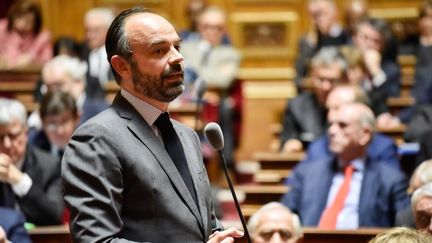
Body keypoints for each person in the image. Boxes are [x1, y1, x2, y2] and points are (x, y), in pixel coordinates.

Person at [62, 7, 244, 242]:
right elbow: (98, 240)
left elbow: (199, 223)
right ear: (122, 66)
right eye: (159, 50)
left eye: (176, 47)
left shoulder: (187, 136)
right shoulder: (96, 139)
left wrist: (219, 234)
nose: (178, 57)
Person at [281, 103, 410, 228]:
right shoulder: (307, 173)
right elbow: (284, 214)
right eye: (330, 125)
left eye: (342, 125)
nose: (332, 131)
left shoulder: (390, 180)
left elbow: (404, 229)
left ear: (364, 134)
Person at [0, 98, 63, 226]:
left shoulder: (50, 165)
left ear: (26, 133)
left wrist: (20, 181)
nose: (6, 144)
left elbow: (55, 216)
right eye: (0, 137)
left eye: (13, 136)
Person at [304, 85, 399, 168]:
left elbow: (390, 185)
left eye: (337, 108)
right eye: (328, 109)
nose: (330, 116)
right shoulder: (317, 149)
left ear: (360, 108)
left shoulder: (382, 148)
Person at [279, 47, 348, 152]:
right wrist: (290, 144)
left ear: (344, 80)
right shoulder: (296, 106)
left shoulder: (354, 107)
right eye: (320, 79)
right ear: (312, 77)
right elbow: (286, 140)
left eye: (332, 80)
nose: (326, 87)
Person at [28, 55, 108, 131]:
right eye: (49, 87)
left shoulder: (102, 112)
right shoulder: (41, 114)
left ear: (78, 82)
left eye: (59, 85)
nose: (54, 92)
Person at [294, 0, 348, 91]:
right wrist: (311, 44)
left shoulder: (347, 36)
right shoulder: (307, 42)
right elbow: (298, 79)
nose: (315, 20)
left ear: (335, 13)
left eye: (320, 14)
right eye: (312, 16)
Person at [0, 0, 52, 69]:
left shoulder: (42, 37)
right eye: (19, 17)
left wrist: (31, 59)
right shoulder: (2, 28)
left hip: (30, 76)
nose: (22, 23)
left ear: (36, 23)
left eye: (28, 21)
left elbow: (47, 62)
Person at [30, 91, 80, 158]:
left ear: (76, 118)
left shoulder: (89, 146)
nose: (59, 131)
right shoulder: (33, 146)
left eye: (64, 122)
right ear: (42, 122)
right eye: (52, 123)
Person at [81, 7, 115, 100]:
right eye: (87, 30)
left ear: (108, 30)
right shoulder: (83, 52)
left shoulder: (117, 52)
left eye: (95, 30)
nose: (89, 36)